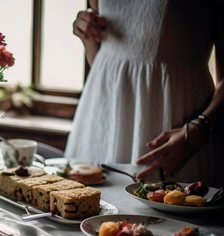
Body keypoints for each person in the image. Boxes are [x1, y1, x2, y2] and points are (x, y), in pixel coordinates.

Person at [65, 0, 223, 187]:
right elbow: (107, 63)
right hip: (102, 123)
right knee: (83, 206)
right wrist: (87, 36)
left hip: (177, 133)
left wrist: (200, 129)